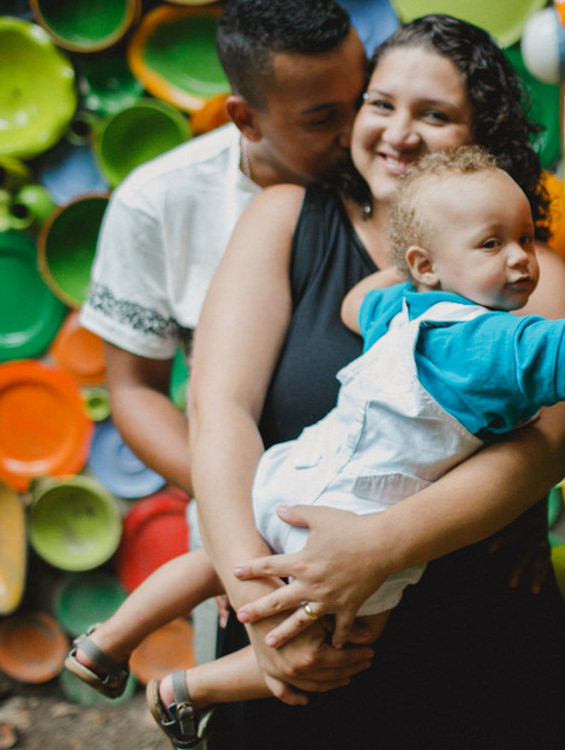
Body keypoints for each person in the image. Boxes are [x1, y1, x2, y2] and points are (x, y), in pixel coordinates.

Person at [64, 147, 565, 748]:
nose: (521, 259)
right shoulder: (497, 344)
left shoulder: (402, 311)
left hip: (292, 475)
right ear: (428, 263)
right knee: (338, 645)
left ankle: (108, 641)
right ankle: (191, 689)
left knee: (218, 564)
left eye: (524, 238)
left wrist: (415, 272)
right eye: (492, 244)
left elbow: (353, 304)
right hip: (353, 515)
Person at [187, 14, 565, 749]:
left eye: (435, 116)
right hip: (289, 620)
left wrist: (376, 548)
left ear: (482, 140)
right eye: (381, 104)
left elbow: (542, 451)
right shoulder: (286, 219)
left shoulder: (525, 271)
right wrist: (253, 594)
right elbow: (220, 408)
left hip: (471, 641)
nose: (399, 134)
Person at [76, 0, 366, 660]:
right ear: (245, 118)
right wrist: (241, 513)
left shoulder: (399, 171)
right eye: (323, 117)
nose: (358, 133)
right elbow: (134, 390)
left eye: (364, 98)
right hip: (238, 540)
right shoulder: (158, 204)